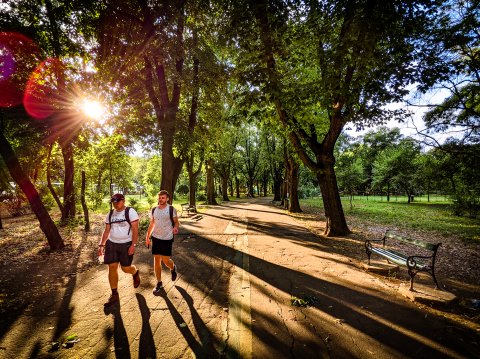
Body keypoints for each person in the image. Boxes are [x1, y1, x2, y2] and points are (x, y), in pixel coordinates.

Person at [98, 193, 141, 307]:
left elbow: (135, 230)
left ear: (123, 201)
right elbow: (107, 230)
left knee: (125, 268)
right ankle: (114, 294)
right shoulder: (110, 214)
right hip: (112, 243)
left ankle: (135, 272)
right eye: (114, 202)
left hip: (126, 244)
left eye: (118, 201)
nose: (116, 204)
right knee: (112, 267)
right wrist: (101, 245)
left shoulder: (130, 212)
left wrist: (133, 245)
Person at [145, 190, 179, 295]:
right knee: (157, 259)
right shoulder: (154, 209)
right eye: (159, 198)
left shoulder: (171, 209)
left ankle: (173, 268)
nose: (161, 199)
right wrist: (147, 237)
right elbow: (152, 224)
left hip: (167, 237)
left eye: (163, 198)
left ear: (167, 198)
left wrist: (176, 228)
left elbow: (176, 222)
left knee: (166, 260)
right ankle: (159, 283)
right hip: (156, 237)